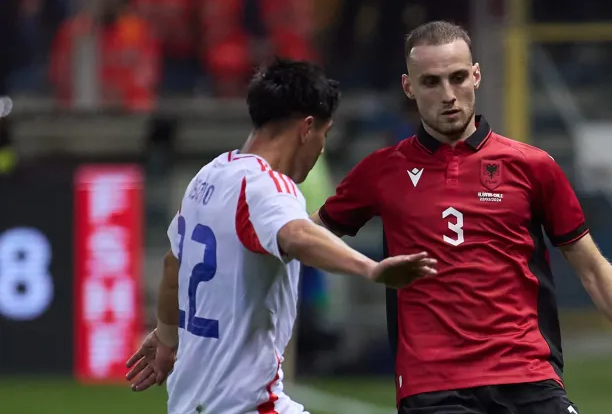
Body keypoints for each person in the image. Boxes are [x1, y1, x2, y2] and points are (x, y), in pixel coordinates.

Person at [312, 21, 612, 413]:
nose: (448, 95)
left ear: (476, 76)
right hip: (433, 386)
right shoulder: (381, 171)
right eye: (431, 82)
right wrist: (366, 268)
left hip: (527, 375)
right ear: (409, 87)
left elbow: (591, 267)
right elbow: (304, 236)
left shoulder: (532, 166)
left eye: (458, 78)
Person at [124, 58, 437, 414]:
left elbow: (172, 266)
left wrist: (166, 338)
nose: (321, 147)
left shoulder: (209, 176)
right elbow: (297, 235)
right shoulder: (267, 186)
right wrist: (371, 269)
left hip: (189, 404)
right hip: (248, 405)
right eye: (324, 133)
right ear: (307, 128)